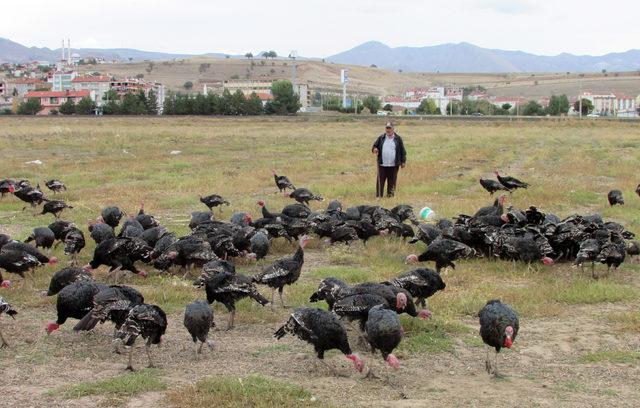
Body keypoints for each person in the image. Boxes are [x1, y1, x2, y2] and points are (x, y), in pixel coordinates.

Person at [372, 122, 406, 198]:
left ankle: (390, 196)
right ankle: (379, 196)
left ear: (393, 128)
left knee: (392, 181)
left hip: (394, 165)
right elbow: (374, 146)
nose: (388, 130)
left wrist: (403, 161)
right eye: (387, 128)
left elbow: (402, 151)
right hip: (382, 164)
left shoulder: (398, 138)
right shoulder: (381, 138)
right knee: (380, 181)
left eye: (389, 128)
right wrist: (375, 149)